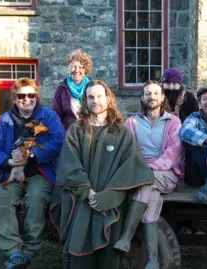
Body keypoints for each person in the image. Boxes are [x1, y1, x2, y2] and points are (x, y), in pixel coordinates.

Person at [49, 80, 155, 269]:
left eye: (99, 96)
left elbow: (129, 167)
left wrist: (110, 196)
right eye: (90, 97)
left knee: (110, 258)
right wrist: (89, 194)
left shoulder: (122, 132)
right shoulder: (76, 131)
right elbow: (69, 165)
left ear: (108, 99)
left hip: (112, 204)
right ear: (85, 100)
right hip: (82, 200)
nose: (95, 100)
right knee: (79, 254)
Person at [0, 78, 64, 268]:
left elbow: (58, 141)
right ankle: (13, 251)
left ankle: (31, 247)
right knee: (3, 200)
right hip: (12, 174)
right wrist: (9, 161)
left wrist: (32, 153)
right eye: (21, 96)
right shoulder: (4, 121)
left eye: (31, 95)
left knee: (36, 199)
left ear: (36, 97)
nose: (26, 99)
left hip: (40, 172)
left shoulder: (48, 117)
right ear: (14, 98)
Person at [114, 81, 182, 268]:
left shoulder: (173, 122)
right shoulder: (132, 122)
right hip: (141, 173)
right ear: (143, 98)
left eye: (155, 93)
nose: (152, 96)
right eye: (147, 93)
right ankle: (153, 260)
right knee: (151, 199)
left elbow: (173, 153)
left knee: (145, 182)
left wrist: (147, 170)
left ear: (162, 98)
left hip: (167, 173)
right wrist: (140, 169)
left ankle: (126, 237)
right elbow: (129, 151)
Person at [52, 48, 93, 131]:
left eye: (80, 67)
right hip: (69, 133)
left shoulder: (93, 87)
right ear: (68, 67)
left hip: (90, 131)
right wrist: (64, 131)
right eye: (73, 67)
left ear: (85, 69)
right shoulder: (61, 89)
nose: (76, 70)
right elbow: (56, 114)